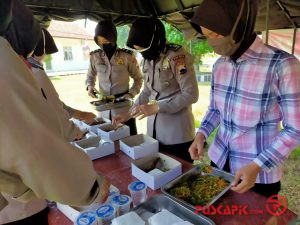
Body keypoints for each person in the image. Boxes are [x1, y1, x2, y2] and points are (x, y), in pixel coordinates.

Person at [0, 1, 110, 224]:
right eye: (26, 54)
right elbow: (34, 146)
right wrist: (91, 187)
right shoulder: (10, 66)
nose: (29, 62)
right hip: (19, 210)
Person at [189, 0, 300, 197]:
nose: (212, 42)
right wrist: (201, 134)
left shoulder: (282, 65)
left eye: (215, 34)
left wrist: (257, 166)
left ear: (238, 27)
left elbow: (295, 128)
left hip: (258, 173)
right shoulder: (219, 66)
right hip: (219, 160)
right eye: (206, 36)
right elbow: (215, 109)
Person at [113, 18, 199, 162]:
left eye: (142, 48)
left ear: (154, 41)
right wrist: (128, 114)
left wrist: (158, 107)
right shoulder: (148, 59)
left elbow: (191, 94)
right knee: (158, 173)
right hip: (154, 132)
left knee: (178, 177)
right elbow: (147, 91)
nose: (140, 52)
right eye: (137, 49)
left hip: (177, 134)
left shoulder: (177, 57)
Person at [28, 28, 97, 141]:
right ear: (39, 49)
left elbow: (56, 103)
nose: (46, 56)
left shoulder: (21, 68)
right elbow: (55, 109)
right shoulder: (36, 72)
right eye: (46, 52)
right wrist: (74, 132)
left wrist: (81, 115)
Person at [86, 20, 143, 135]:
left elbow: (139, 79)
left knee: (128, 141)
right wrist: (89, 86)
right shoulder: (95, 57)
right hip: (104, 110)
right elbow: (90, 77)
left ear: (113, 38)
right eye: (99, 41)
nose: (103, 43)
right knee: (107, 142)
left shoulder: (127, 56)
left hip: (124, 108)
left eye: (106, 40)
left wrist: (131, 94)